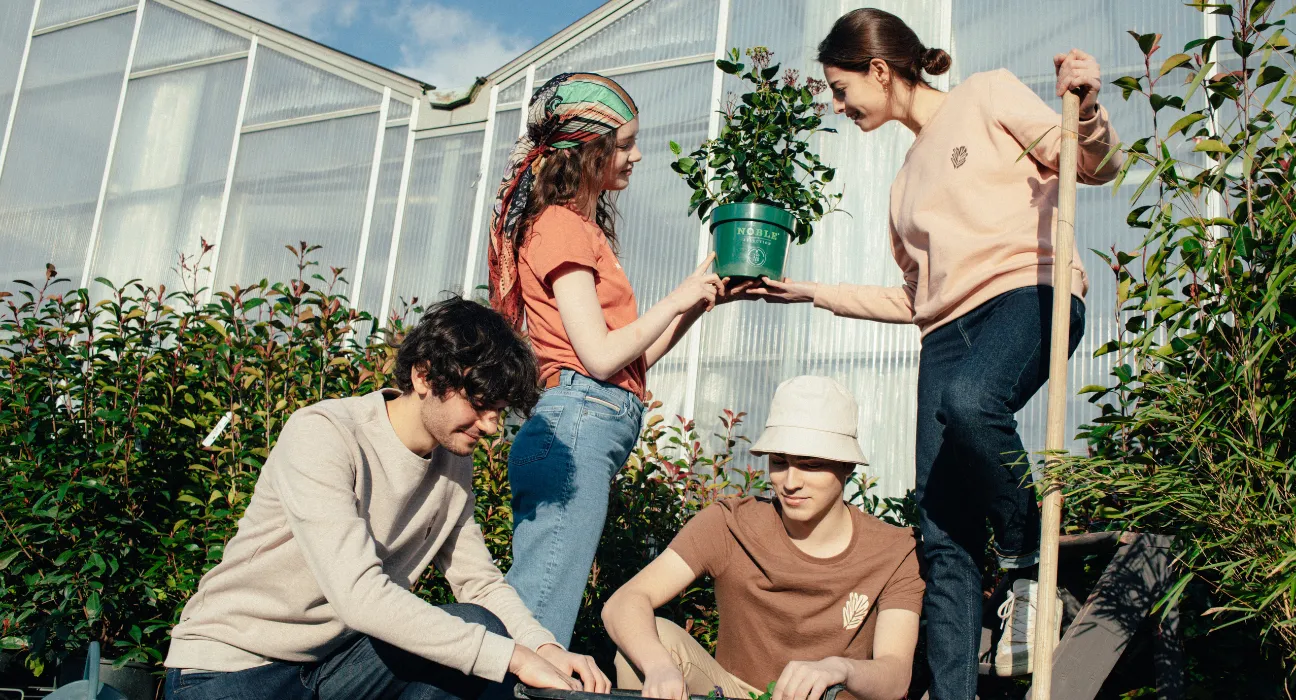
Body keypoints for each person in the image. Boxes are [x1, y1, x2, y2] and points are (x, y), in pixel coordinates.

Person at [741, 8, 1125, 696]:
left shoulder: (986, 95)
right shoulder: (901, 187)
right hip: (945, 334)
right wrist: (810, 292)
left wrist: (1087, 108)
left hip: (1027, 296)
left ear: (880, 71)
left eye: (839, 87)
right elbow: (915, 301)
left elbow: (1091, 165)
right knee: (940, 532)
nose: (836, 104)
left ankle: (1030, 560)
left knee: (971, 402)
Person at [163, 297, 610, 700]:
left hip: (332, 669)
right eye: (479, 403)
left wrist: (543, 646)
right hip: (232, 670)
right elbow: (360, 595)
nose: (491, 427)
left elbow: (480, 582)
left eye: (498, 412)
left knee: (481, 623)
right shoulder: (325, 433)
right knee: (490, 651)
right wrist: (512, 657)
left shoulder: (452, 462)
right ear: (424, 375)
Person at [487, 72, 727, 647]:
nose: (636, 155)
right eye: (624, 144)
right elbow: (597, 358)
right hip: (575, 423)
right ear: (587, 150)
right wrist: (675, 299)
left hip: (585, 420)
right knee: (541, 611)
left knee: (545, 601)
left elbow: (628, 362)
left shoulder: (579, 230)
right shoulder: (561, 228)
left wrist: (696, 304)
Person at [603, 376, 924, 700]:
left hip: (831, 697)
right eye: (779, 462)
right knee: (647, 643)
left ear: (847, 466)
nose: (790, 481)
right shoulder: (729, 524)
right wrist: (659, 666)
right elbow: (624, 602)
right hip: (733, 693)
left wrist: (839, 669)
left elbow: (896, 675)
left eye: (811, 464)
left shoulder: (891, 550)